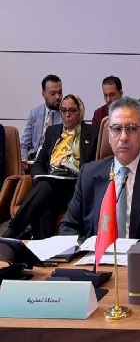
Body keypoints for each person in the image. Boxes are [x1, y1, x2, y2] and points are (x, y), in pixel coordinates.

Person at [60, 97, 140, 240]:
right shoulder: (88, 174)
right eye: (116, 129)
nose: (123, 137)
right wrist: (88, 247)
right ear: (109, 135)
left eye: (132, 128)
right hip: (97, 254)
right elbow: (68, 227)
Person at [5, 94, 98, 239]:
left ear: (80, 112)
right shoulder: (52, 131)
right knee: (44, 206)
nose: (67, 115)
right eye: (63, 110)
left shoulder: (92, 132)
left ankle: (13, 231)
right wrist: (39, 177)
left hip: (74, 185)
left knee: (44, 189)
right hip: (51, 182)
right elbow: (39, 163)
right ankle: (43, 250)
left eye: (72, 110)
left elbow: (94, 165)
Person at [21, 74, 63, 169]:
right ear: (43, 94)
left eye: (60, 93)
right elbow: (24, 143)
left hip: (53, 162)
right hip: (33, 159)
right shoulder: (34, 112)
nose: (57, 97)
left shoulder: (66, 115)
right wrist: (24, 160)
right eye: (53, 93)